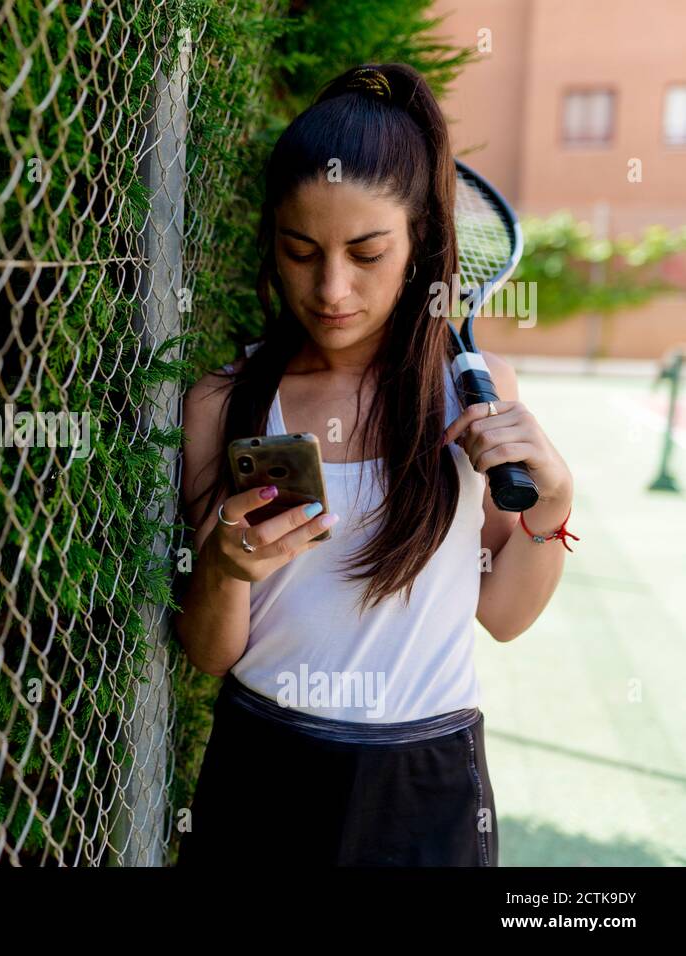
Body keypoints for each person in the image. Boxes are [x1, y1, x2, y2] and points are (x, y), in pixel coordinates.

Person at [175, 63, 576, 866]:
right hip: (263, 771)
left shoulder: (475, 396)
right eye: (300, 251)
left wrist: (555, 498)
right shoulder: (224, 404)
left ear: (420, 239)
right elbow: (211, 652)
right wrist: (222, 567)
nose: (330, 288)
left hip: (429, 786)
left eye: (367, 252)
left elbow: (504, 615)